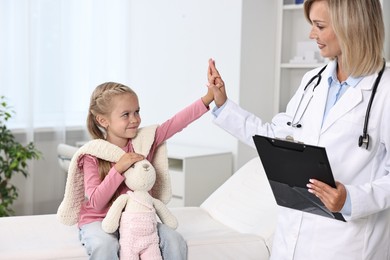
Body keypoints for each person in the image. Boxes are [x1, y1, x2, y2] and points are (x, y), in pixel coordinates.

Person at [207, 0, 390, 259]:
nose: (311, 34)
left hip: (348, 245)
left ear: (351, 27)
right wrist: (224, 105)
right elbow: (278, 139)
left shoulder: (385, 92)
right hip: (291, 238)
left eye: (319, 26)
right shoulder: (312, 82)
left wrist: (351, 199)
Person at [78, 81, 214, 260]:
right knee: (105, 245)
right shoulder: (93, 154)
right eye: (126, 114)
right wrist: (119, 168)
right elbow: (95, 202)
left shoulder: (144, 142)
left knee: (174, 240)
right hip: (100, 220)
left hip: (137, 219)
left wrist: (209, 96)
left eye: (137, 111)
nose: (135, 119)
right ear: (103, 120)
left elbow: (177, 122)